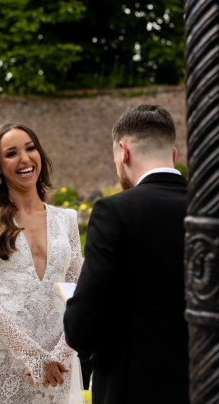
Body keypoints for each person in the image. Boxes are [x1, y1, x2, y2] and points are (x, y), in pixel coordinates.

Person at [64, 104, 189, 404]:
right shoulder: (208, 209)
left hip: (134, 384)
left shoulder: (115, 211)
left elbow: (82, 324)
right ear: (173, 155)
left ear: (123, 152)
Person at [0, 123, 85, 404]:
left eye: (30, 148)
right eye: (11, 153)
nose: (25, 159)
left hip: (60, 363)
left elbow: (80, 292)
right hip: (1, 360)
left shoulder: (67, 220)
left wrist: (62, 353)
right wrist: (34, 357)